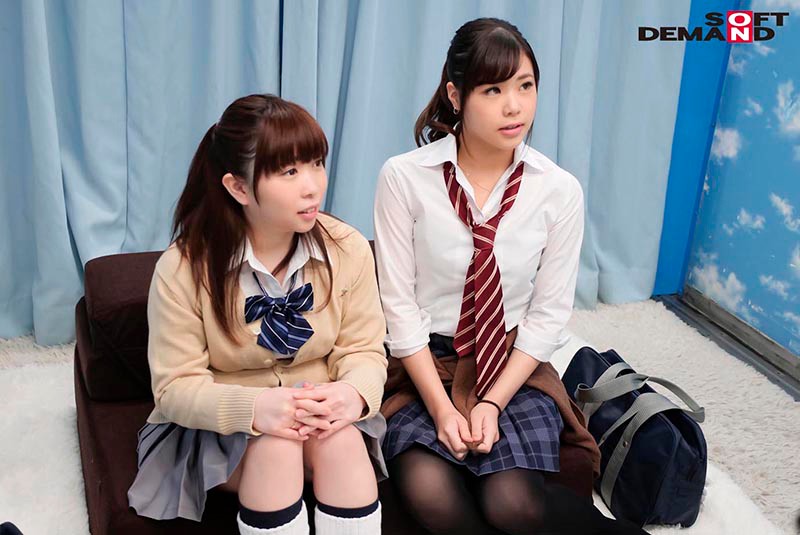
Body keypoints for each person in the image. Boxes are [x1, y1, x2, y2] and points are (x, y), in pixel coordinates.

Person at [374, 18, 649, 535]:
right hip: (424, 366)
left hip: (511, 364)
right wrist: (442, 408)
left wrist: (493, 401)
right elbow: (399, 307)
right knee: (432, 496)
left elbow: (547, 315)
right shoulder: (404, 178)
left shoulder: (557, 190)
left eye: (525, 86)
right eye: (493, 90)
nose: (514, 106)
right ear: (455, 96)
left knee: (513, 506)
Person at [127, 94, 387, 535]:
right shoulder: (183, 268)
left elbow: (364, 349)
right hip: (217, 424)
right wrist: (257, 409)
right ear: (239, 188)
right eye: (289, 172)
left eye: (316, 164)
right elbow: (175, 388)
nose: (312, 186)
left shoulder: (348, 248)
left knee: (340, 439)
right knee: (277, 446)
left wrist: (351, 394)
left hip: (322, 414)